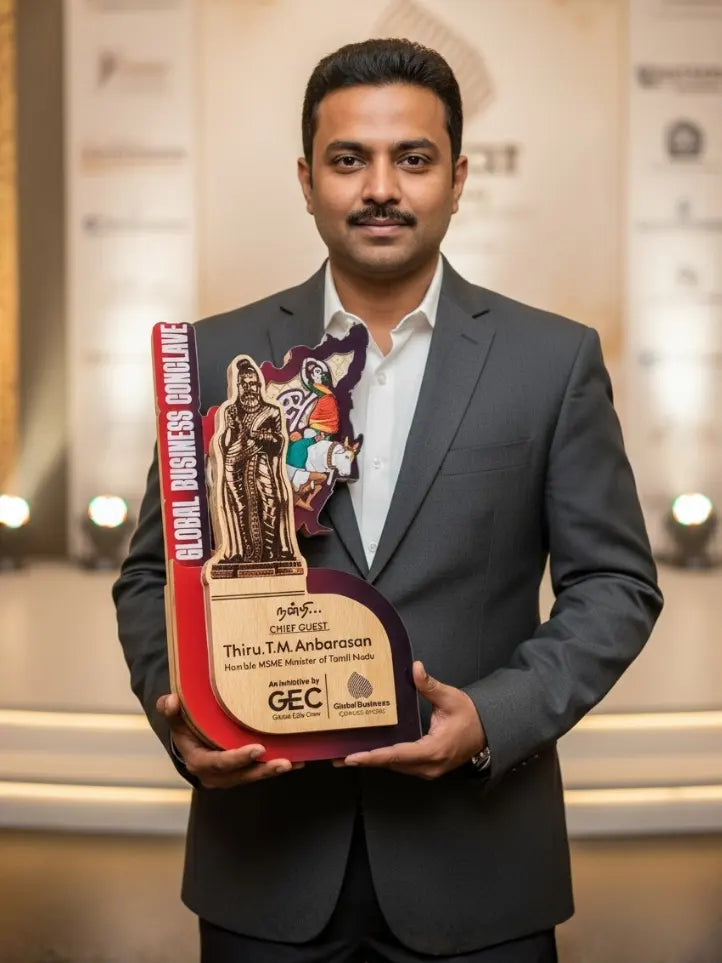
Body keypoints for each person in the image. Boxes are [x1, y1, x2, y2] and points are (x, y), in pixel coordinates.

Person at [113, 38, 663, 962]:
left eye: (412, 158)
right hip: (266, 871)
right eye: (348, 159)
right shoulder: (217, 360)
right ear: (306, 178)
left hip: (480, 871)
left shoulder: (551, 361)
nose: (380, 186)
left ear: (456, 176)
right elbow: (147, 577)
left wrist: (495, 714)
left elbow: (615, 582)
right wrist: (183, 711)